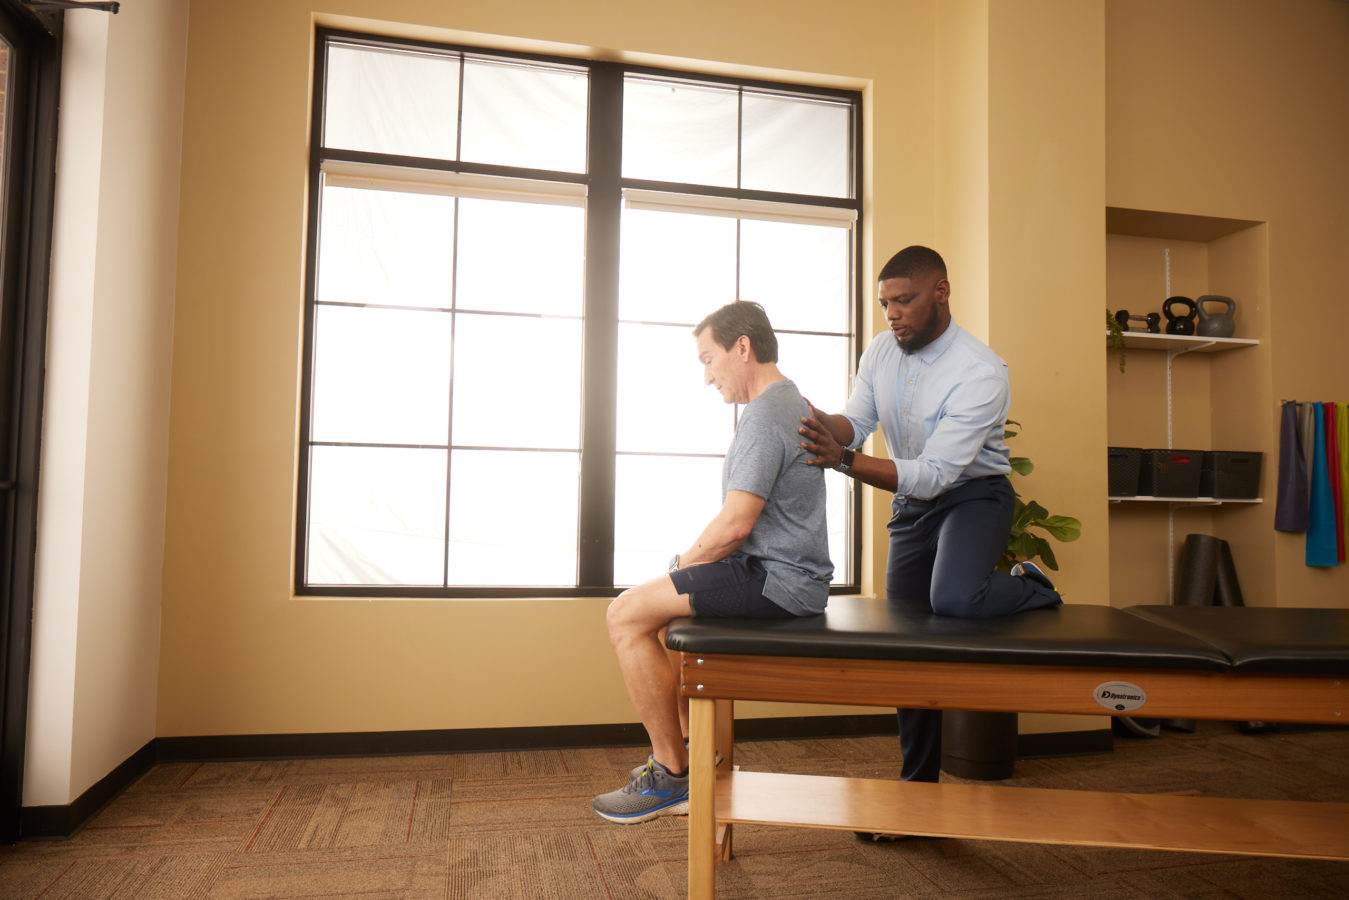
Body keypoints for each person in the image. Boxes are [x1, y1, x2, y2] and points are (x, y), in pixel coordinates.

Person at [797, 245, 1062, 797]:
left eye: (904, 300)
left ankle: (1030, 586)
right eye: (885, 303)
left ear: (940, 291)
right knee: (907, 641)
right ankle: (917, 782)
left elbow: (938, 473)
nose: (892, 314)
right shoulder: (881, 351)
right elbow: (858, 421)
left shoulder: (980, 372)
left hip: (974, 496)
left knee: (956, 600)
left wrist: (842, 460)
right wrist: (812, 418)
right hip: (914, 507)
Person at [593, 300, 833, 825]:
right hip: (782, 573)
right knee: (658, 617)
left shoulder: (768, 415)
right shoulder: (792, 402)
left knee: (625, 614)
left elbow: (736, 524)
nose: (707, 377)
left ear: (741, 348)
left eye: (709, 359)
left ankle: (671, 775)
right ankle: (694, 759)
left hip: (777, 581)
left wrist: (679, 566)